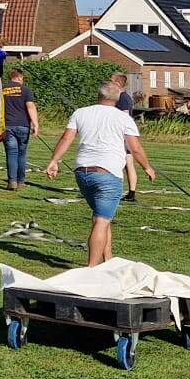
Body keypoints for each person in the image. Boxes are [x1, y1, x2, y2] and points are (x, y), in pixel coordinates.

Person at [44, 79, 157, 266]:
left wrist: (54, 161)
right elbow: (135, 148)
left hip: (82, 173)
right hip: (108, 175)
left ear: (99, 95)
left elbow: (66, 138)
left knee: (102, 217)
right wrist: (147, 167)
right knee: (101, 221)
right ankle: (92, 268)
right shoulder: (124, 118)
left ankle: (108, 260)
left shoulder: (80, 113)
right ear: (119, 98)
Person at [0, 68, 39, 189]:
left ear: (11, 77)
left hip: (8, 126)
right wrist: (35, 125)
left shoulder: (2, 89)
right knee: (21, 154)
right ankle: (21, 181)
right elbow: (30, 107)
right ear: (20, 78)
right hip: (23, 126)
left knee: (11, 153)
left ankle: (12, 182)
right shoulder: (25, 90)